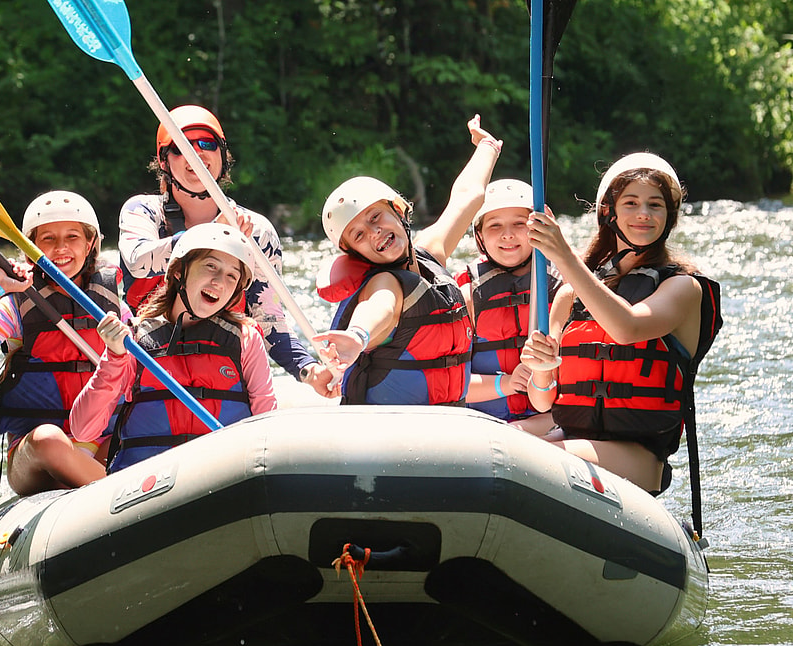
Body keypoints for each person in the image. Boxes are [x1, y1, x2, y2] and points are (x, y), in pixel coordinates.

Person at [520, 152, 723, 494]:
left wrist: (564, 256)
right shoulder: (569, 296)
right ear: (608, 212)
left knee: (524, 461)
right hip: (572, 438)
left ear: (668, 217)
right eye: (631, 203)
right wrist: (541, 367)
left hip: (639, 458)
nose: (644, 213)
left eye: (655, 205)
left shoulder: (683, 288)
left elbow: (627, 328)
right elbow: (542, 402)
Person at [118, 104, 333, 396]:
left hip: (222, 378)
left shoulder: (256, 231)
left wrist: (307, 369)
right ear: (164, 162)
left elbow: (269, 320)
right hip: (150, 377)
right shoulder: (143, 211)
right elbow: (136, 262)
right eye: (181, 147)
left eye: (207, 144)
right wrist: (209, 236)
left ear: (223, 157)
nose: (196, 153)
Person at [311, 115, 501, 405]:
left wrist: (486, 145)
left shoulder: (429, 252)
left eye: (376, 217)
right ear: (355, 254)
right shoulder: (384, 284)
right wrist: (357, 337)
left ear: (399, 209)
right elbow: (379, 309)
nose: (374, 232)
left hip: (448, 420)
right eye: (359, 235)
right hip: (392, 434)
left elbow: (468, 196)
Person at [0, 190, 120, 495]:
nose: (60, 248)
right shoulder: (18, 304)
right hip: (36, 455)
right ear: (30, 249)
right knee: (49, 438)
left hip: (103, 443)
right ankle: (117, 493)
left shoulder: (114, 299)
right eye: (47, 239)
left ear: (90, 244)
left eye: (72, 237)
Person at [71, 223, 277, 472]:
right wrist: (114, 357)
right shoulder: (133, 341)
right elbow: (83, 429)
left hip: (220, 474)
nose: (219, 282)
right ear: (180, 272)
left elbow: (267, 422)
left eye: (232, 276)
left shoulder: (245, 338)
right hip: (148, 482)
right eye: (211, 266)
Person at [456, 179, 561, 434]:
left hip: (549, 421)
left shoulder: (561, 287)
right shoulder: (468, 295)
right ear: (479, 236)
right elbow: (450, 383)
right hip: (485, 425)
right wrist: (507, 383)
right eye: (495, 225)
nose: (508, 234)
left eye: (518, 223)